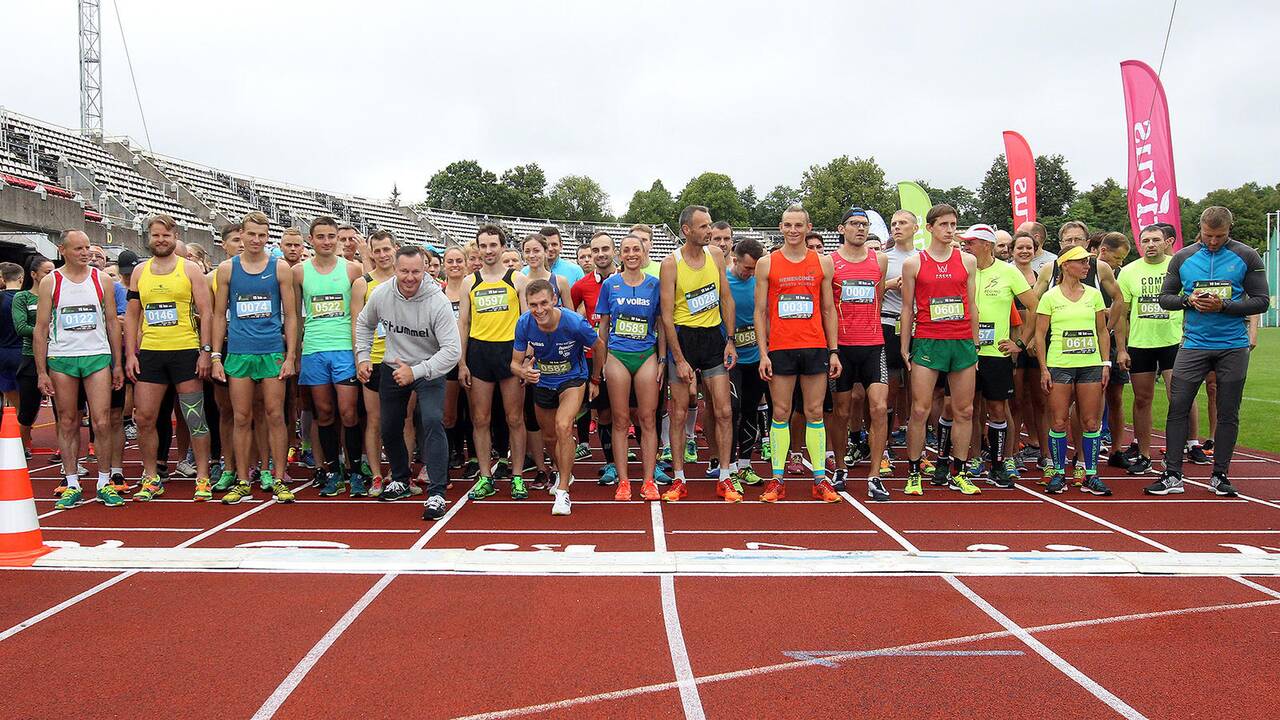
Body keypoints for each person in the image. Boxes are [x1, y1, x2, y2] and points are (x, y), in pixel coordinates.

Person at [1147, 206, 1270, 497]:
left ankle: (1220, 474)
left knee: (1228, 411)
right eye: (1208, 235)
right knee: (1178, 406)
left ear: (1230, 230)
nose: (1213, 241)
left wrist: (1224, 306)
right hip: (1194, 344)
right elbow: (1165, 298)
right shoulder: (1183, 257)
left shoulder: (1246, 255)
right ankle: (1172, 474)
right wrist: (1188, 301)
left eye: (1219, 236)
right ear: (1199, 229)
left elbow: (1261, 301)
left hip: (1232, 345)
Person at [356, 245, 460, 519]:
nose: (410, 277)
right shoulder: (381, 294)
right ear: (395, 269)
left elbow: (452, 351)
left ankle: (437, 493)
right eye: (404, 271)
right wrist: (363, 357)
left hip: (429, 369)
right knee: (389, 426)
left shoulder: (438, 301)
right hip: (393, 366)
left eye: (416, 271)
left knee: (432, 421)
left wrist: (416, 372)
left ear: (425, 270)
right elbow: (364, 324)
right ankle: (401, 477)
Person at [754, 205, 842, 504]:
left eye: (798, 225)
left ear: (808, 227)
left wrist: (833, 351)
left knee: (815, 412)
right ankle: (776, 478)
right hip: (780, 348)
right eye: (788, 225)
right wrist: (763, 353)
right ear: (780, 227)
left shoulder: (823, 263)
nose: (793, 231)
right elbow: (760, 311)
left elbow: (829, 309)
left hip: (815, 346)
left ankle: (820, 479)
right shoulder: (767, 264)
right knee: (781, 412)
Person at [124, 214, 215, 501]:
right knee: (145, 418)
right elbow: (132, 315)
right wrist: (130, 354)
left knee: (194, 417)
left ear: (174, 236)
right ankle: (151, 476)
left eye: (166, 235)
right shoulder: (140, 271)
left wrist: (206, 352)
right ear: (149, 238)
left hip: (185, 351)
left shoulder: (189, 269)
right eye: (156, 236)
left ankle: (202, 477)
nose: (161, 240)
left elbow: (207, 312)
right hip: (151, 352)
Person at [210, 211, 298, 504]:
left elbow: (292, 315)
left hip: (271, 350)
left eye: (262, 235)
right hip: (239, 352)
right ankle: (243, 479)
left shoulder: (280, 268)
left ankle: (277, 477)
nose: (257, 240)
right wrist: (215, 356)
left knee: (275, 415)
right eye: (251, 234)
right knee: (242, 416)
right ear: (242, 235)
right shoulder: (227, 269)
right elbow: (218, 315)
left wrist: (290, 356)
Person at [34, 231, 125, 509]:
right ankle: (71, 481)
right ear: (62, 250)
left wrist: (117, 363)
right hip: (62, 357)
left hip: (97, 356)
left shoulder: (102, 280)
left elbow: (112, 322)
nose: (85, 253)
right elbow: (40, 328)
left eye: (87, 248)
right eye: (78, 248)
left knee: (101, 421)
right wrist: (41, 371)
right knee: (68, 420)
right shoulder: (52, 281)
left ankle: (104, 481)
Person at [899, 204, 981, 496]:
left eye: (953, 224)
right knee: (920, 410)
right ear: (930, 227)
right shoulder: (914, 263)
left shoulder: (968, 261)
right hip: (928, 341)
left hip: (961, 342)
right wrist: (904, 348)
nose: (950, 230)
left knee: (965, 410)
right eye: (944, 224)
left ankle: (959, 471)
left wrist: (975, 343)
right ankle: (913, 472)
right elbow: (907, 308)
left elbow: (971, 304)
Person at [659, 205, 738, 502]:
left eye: (710, 226)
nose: (710, 232)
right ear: (686, 230)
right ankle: (679, 478)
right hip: (684, 339)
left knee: (724, 410)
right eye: (703, 227)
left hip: (714, 338)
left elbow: (726, 298)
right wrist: (678, 359)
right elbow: (666, 315)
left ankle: (725, 476)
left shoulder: (716, 256)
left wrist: (730, 340)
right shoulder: (671, 264)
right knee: (679, 413)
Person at [512, 279, 605, 515]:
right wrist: (524, 371)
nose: (539, 310)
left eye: (544, 303)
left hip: (572, 378)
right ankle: (564, 470)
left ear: (554, 300)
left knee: (563, 426)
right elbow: (514, 363)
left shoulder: (573, 322)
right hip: (542, 381)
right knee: (550, 437)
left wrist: (595, 379)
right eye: (533, 305)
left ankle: (563, 491)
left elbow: (599, 345)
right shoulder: (524, 324)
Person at [961, 224, 1038, 488]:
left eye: (970, 242)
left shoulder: (1008, 272)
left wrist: (1020, 342)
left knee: (997, 409)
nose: (965, 246)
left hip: (996, 353)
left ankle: (1000, 461)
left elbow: (1035, 306)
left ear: (986, 245)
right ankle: (974, 458)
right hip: (966, 351)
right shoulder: (963, 268)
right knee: (968, 408)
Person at [294, 216, 365, 496]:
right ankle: (333, 470)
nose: (326, 242)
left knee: (349, 413)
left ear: (338, 239)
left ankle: (356, 470)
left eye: (331, 237)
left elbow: (362, 311)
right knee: (324, 413)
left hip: (345, 349)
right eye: (320, 236)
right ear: (311, 240)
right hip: (314, 349)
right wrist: (295, 353)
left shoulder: (352, 269)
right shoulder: (299, 272)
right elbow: (294, 316)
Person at [458, 224, 530, 500]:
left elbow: (527, 321)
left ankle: (517, 476)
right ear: (478, 248)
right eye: (483, 246)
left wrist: (527, 357)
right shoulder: (470, 282)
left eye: (493, 245)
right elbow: (463, 324)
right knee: (480, 418)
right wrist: (462, 362)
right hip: (479, 353)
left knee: (514, 418)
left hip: (510, 354)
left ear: (502, 246)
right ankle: (486, 476)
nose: (488, 251)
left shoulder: (517, 280)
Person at [1035, 246, 1112, 495]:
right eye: (1081, 262)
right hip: (1060, 366)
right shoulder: (1050, 297)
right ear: (1066, 265)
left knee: (1091, 421)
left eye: (1087, 262)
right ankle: (1058, 473)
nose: (1087, 266)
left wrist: (1105, 363)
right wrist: (1044, 368)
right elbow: (1040, 335)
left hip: (1090, 365)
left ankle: (1091, 473)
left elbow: (1102, 331)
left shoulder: (1093, 295)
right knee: (1058, 421)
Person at [593, 234, 664, 501]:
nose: (632, 254)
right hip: (618, 356)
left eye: (637, 249)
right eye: (626, 250)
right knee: (620, 419)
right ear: (619, 255)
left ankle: (648, 480)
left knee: (647, 418)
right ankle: (624, 481)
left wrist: (662, 359)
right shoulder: (610, 285)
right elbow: (603, 326)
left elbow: (661, 325)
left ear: (644, 252)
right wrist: (601, 361)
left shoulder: (655, 285)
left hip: (646, 354)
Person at [829, 208, 890, 500]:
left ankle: (875, 474)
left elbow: (877, 301)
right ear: (842, 228)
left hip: (873, 344)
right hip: (842, 346)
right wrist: (832, 349)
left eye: (864, 225)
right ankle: (840, 467)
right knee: (841, 411)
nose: (860, 229)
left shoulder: (879, 259)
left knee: (878, 408)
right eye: (854, 224)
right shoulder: (831, 262)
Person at [1114, 225, 1183, 476]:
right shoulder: (1129, 272)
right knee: (1142, 400)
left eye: (1156, 240)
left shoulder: (1179, 266)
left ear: (1167, 242)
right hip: (1141, 344)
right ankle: (1143, 454)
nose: (1151, 244)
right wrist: (1121, 349)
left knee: (1178, 398)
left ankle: (1174, 454)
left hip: (1173, 342)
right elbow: (1121, 315)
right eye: (1145, 240)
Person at [349, 230, 399, 497]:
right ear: (370, 253)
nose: (382, 255)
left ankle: (398, 473)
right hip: (375, 360)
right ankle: (377, 475)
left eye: (386, 249)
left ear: (395, 249)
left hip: (403, 360)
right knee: (375, 420)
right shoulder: (362, 284)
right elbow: (358, 324)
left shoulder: (407, 279)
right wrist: (361, 358)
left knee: (404, 421)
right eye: (376, 250)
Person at [725, 239, 768, 491]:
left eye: (754, 269)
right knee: (731, 409)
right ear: (735, 258)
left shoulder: (760, 283)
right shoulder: (724, 283)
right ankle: (728, 467)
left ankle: (744, 465)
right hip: (732, 358)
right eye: (746, 268)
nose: (750, 273)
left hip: (756, 355)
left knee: (751, 410)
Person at [881, 210, 917, 455]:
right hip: (889, 323)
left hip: (920, 325)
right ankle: (884, 446)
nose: (897, 227)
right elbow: (870, 290)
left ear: (915, 228)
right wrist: (891, 284)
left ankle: (920, 450)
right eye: (894, 224)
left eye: (903, 223)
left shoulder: (924, 257)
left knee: (919, 392)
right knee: (889, 389)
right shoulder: (884, 259)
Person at [13, 256, 54, 455]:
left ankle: (64, 454)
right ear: (34, 275)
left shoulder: (59, 296)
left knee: (65, 410)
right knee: (28, 409)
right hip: (31, 356)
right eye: (47, 272)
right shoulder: (22, 298)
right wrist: (44, 330)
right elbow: (21, 327)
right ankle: (19, 448)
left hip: (57, 356)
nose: (52, 276)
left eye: (54, 271)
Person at [0, 262, 25, 411]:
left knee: (9, 390)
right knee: (28, 398)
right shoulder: (27, 298)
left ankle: (19, 414)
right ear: (21, 278)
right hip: (25, 352)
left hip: (3, 351)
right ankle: (24, 423)